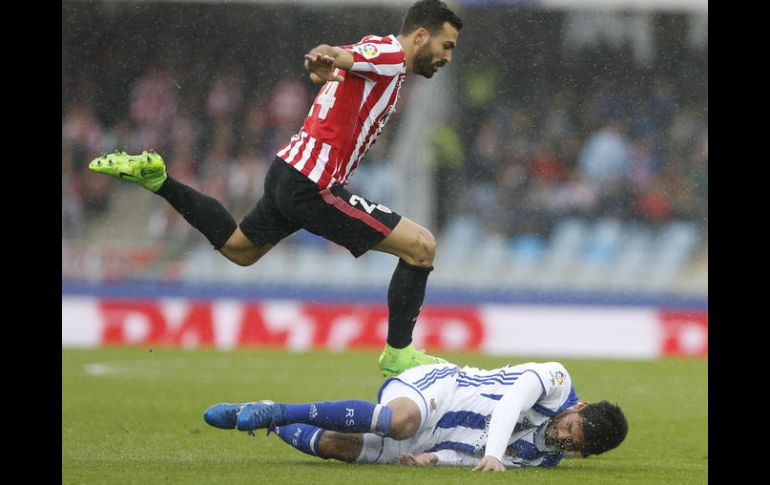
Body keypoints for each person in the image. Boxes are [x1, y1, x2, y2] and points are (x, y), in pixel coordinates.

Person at [88, 0, 463, 378]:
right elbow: (339, 55)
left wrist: (320, 66)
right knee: (421, 246)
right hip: (312, 185)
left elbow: (336, 64)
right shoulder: (389, 55)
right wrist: (325, 57)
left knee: (240, 248)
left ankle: (160, 181)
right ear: (420, 36)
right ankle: (399, 352)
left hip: (287, 172)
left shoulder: (382, 60)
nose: (448, 56)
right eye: (446, 46)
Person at [203, 361, 628, 470]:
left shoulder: (543, 457)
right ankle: (281, 410)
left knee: (338, 447)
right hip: (440, 390)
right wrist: (495, 455)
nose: (564, 437)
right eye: (572, 427)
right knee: (398, 420)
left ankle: (266, 414)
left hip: (433, 441)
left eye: (573, 445)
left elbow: (471, 455)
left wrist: (435, 460)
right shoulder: (556, 381)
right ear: (580, 407)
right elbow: (510, 403)